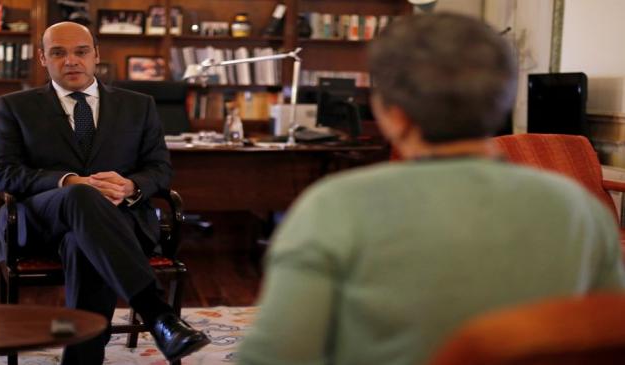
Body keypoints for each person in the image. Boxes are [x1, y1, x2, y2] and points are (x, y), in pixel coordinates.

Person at [238, 13, 625, 365]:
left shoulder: (332, 208)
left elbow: (275, 358)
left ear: (395, 114)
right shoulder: (581, 208)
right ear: (501, 99)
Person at [0, 21, 209, 365]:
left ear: (96, 56)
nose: (71, 61)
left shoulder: (140, 105)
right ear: (42, 58)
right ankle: (157, 314)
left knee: (83, 243)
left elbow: (160, 169)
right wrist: (68, 182)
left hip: (119, 222)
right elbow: (1, 172)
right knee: (80, 196)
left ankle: (82, 359)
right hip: (42, 221)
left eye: (81, 51)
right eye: (58, 53)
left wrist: (131, 185)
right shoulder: (15, 106)